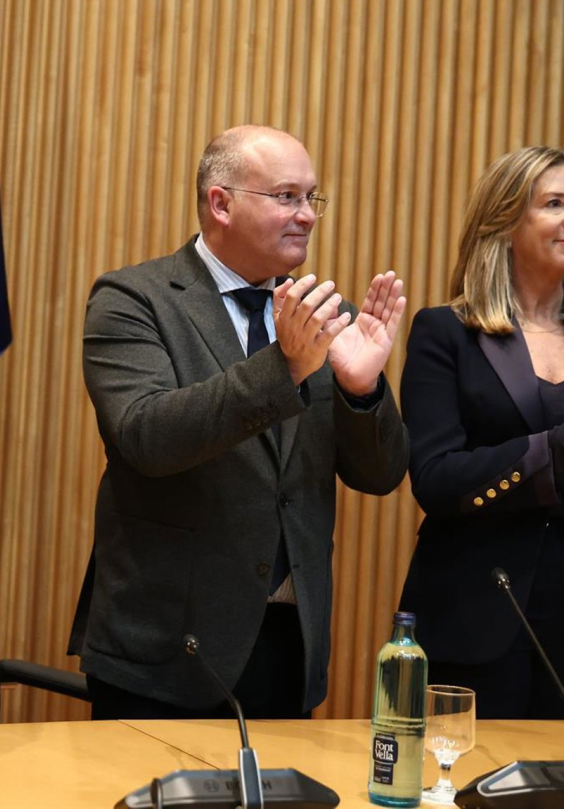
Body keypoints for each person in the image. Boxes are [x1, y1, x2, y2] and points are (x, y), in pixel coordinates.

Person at [68, 125, 411, 720]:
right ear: (220, 203)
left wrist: (362, 391)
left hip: (287, 646)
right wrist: (287, 368)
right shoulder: (134, 299)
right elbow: (146, 438)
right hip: (167, 649)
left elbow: (381, 476)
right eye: (286, 197)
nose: (307, 215)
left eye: (311, 197)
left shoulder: (326, 317)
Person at [397, 146, 564, 720]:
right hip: (476, 614)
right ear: (504, 220)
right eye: (555, 204)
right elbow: (437, 481)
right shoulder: (446, 333)